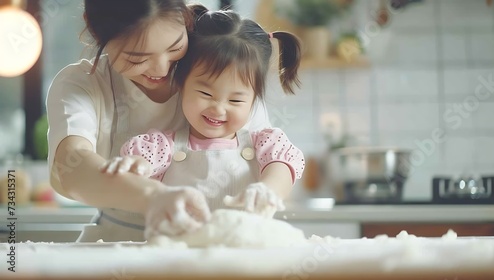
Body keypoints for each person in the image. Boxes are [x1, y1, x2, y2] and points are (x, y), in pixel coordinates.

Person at [46, 0, 271, 242]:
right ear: (95, 31)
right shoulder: (82, 84)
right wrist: (153, 197)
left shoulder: (222, 71)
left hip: (210, 249)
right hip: (114, 245)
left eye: (174, 48)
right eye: (137, 58)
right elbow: (72, 166)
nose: (161, 69)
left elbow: (264, 157)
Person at [101, 5, 305, 239]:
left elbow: (281, 170)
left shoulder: (264, 142)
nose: (218, 108)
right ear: (180, 84)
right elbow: (140, 165)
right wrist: (135, 167)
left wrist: (266, 190)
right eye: (206, 94)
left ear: (254, 101)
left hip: (246, 254)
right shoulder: (161, 146)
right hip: (179, 258)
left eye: (236, 99)